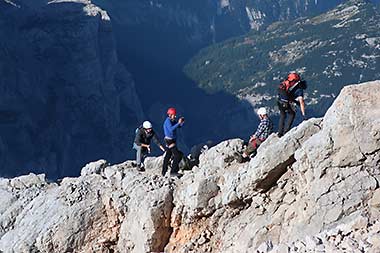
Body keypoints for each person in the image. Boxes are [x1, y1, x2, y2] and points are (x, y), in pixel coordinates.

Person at [277, 72, 307, 137]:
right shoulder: (299, 91)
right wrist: (303, 114)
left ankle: (280, 133)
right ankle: (286, 131)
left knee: (282, 115)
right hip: (285, 102)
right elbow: (301, 102)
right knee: (292, 114)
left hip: (279, 100)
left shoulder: (290, 84)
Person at [162, 107, 185, 177]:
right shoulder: (168, 121)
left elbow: (178, 126)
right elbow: (171, 129)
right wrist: (178, 123)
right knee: (177, 155)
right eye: (173, 115)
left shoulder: (172, 120)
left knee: (168, 155)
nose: (175, 116)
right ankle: (173, 172)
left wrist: (181, 123)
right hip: (169, 140)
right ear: (170, 115)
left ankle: (164, 171)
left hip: (171, 140)